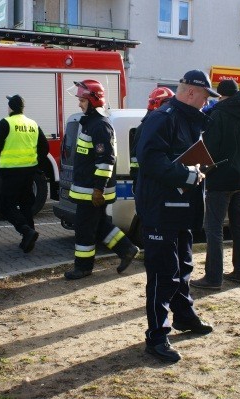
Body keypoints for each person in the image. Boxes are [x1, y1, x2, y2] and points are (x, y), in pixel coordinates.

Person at [135, 70, 218, 362]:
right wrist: (186, 174)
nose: (207, 103)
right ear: (192, 93)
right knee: (162, 273)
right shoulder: (164, 117)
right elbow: (149, 159)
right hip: (160, 210)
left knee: (182, 266)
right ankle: (157, 337)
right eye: (206, 97)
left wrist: (197, 172)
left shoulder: (187, 120)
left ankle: (184, 316)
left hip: (180, 209)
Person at [191, 79, 240, 290]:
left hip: (220, 179)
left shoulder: (219, 114)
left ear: (221, 95)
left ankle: (213, 278)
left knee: (214, 228)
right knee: (238, 225)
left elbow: (209, 149)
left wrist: (201, 167)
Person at [64, 79, 139, 280]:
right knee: (99, 226)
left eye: (82, 100)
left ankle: (83, 267)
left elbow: (106, 161)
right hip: (88, 190)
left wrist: (98, 189)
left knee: (84, 230)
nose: (79, 104)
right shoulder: (90, 123)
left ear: (93, 101)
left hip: (92, 192)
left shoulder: (100, 126)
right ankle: (127, 249)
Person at [0, 94, 49, 253]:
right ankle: (28, 240)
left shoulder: (6, 122)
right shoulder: (33, 124)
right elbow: (45, 148)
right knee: (26, 205)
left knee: (6, 205)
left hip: (11, 171)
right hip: (29, 171)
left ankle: (26, 231)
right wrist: (35, 162)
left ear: (10, 107)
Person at [129, 86, 175, 190]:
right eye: (167, 103)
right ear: (156, 104)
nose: (170, 107)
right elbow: (136, 159)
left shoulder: (159, 124)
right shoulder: (146, 127)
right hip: (146, 183)